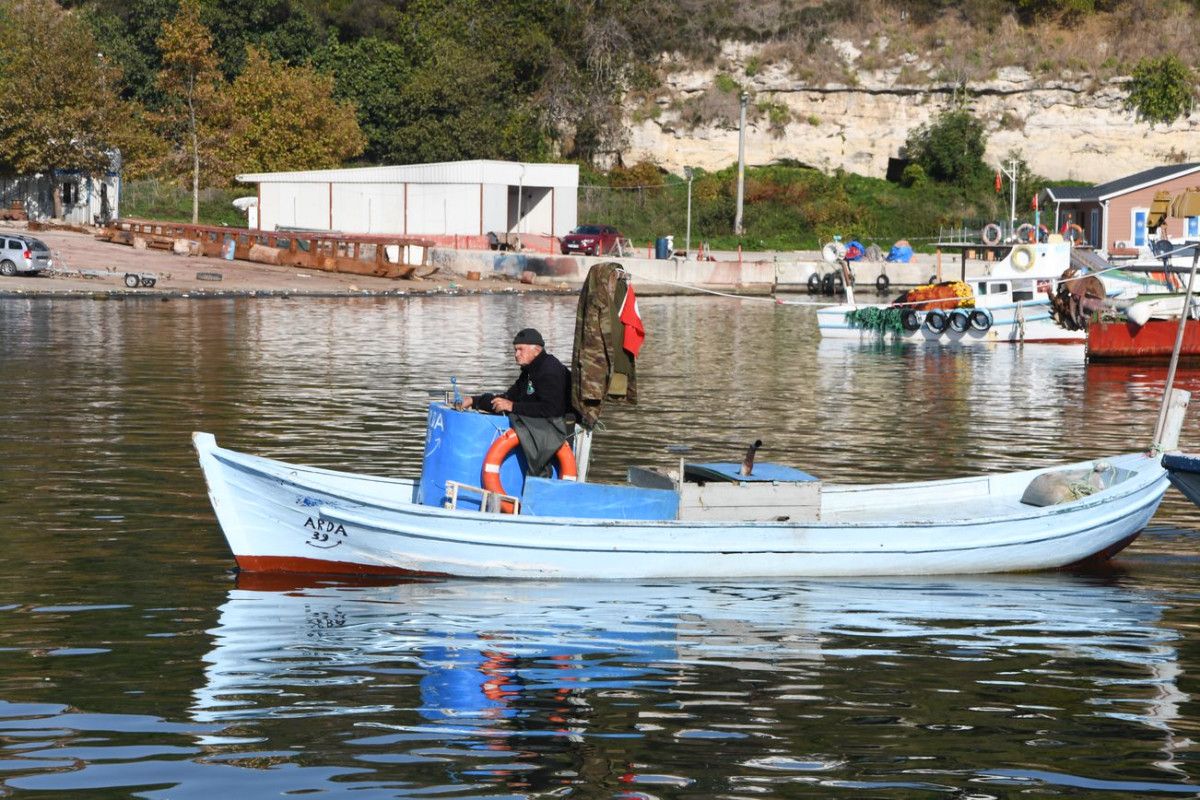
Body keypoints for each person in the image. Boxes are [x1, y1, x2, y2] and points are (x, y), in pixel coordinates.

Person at [462, 328, 572, 476]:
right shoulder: (528, 371)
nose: (516, 354)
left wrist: (512, 406)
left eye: (520, 349)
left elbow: (552, 409)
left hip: (557, 426)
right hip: (541, 419)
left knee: (515, 413)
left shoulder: (550, 370)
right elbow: (508, 398)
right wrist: (474, 401)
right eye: (515, 350)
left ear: (536, 350)